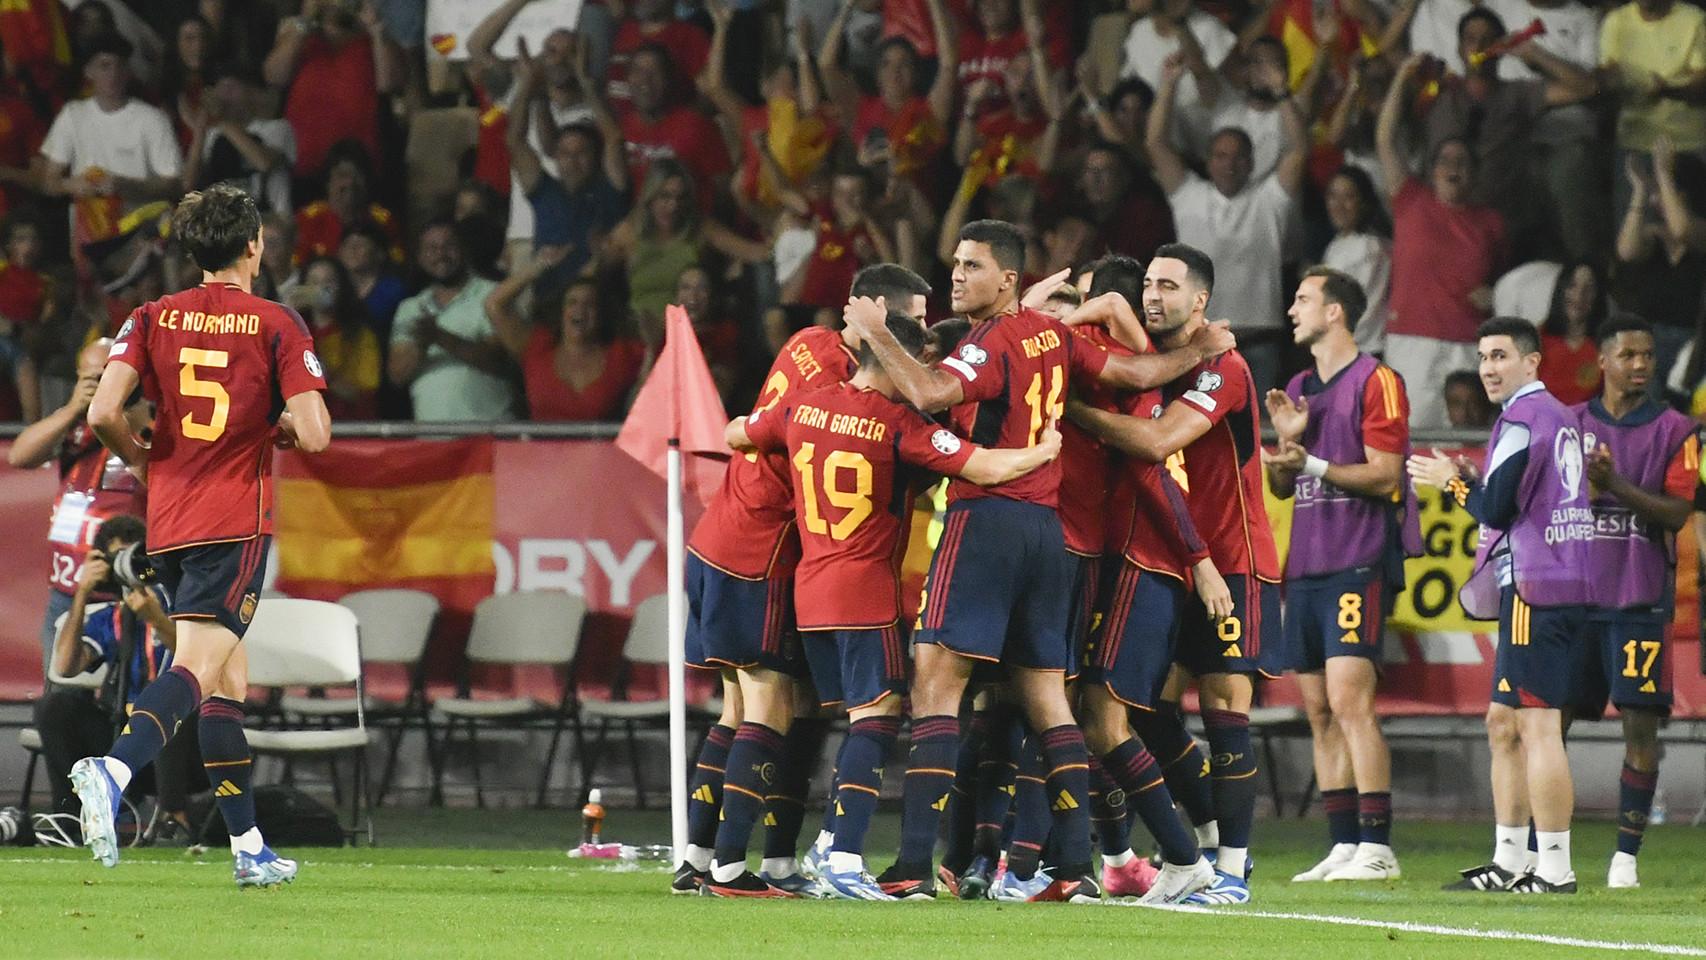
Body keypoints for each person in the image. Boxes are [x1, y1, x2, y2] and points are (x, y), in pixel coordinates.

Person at [841, 222, 1235, 902]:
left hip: (985, 519)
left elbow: (933, 394)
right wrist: (1201, 348)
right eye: (956, 264)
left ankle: (910, 866)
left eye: (973, 266)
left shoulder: (990, 342)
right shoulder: (1054, 338)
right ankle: (1076, 867)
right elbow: (1137, 371)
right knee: (1049, 701)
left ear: (1009, 280)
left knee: (937, 687)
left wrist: (876, 332)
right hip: (1047, 534)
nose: (958, 276)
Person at [726, 309, 1062, 899]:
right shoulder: (896, 423)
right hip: (864, 589)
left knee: (842, 720)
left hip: (809, 589)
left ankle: (820, 845)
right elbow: (985, 465)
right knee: (876, 721)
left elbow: (736, 431)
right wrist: (1043, 450)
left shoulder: (803, 404)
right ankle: (845, 856)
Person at [72, 183, 331, 887]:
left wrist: (144, 460)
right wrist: (277, 424)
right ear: (255, 246)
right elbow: (314, 432)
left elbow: (101, 413)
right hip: (234, 518)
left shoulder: (151, 315)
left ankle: (248, 846)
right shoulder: (277, 322)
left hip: (172, 519)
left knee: (223, 678)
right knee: (192, 670)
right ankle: (114, 768)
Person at [678, 263, 934, 897]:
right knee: (771, 708)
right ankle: (735, 869)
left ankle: (706, 857)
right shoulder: (848, 387)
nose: (918, 336)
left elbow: (744, 430)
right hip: (765, 553)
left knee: (747, 708)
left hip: (723, 537)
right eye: (912, 322)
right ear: (876, 313)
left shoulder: (807, 342)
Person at [1064, 243, 1280, 906]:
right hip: (1177, 562)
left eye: (1168, 287)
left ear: (1200, 301)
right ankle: (1208, 837)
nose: (1153, 297)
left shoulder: (1226, 367)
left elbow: (1158, 443)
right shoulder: (1153, 368)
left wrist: (1067, 412)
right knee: (1147, 708)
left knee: (1223, 709)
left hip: (1232, 560)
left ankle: (1235, 872)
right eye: (1148, 285)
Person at [1407, 316, 1592, 894]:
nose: (1488, 367)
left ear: (1532, 363)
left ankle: (1555, 868)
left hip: (1535, 586)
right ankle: (1510, 860)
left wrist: (1451, 481)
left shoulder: (1521, 418)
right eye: (1484, 356)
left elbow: (1493, 509)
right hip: (1561, 582)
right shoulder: (1560, 417)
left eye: (1501, 356)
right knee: (1503, 722)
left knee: (1537, 725)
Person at [1263, 268, 1416, 884]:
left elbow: (1386, 476)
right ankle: (1343, 844)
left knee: (1352, 701)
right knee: (1319, 710)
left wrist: (1316, 461)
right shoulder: (1299, 387)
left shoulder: (1378, 381)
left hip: (1358, 557)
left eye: (1303, 299)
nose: (1291, 308)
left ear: (1335, 314)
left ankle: (1378, 847)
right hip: (1305, 564)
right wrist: (1285, 446)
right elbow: (1282, 483)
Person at [1572, 316, 1699, 890]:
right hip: (1572, 602)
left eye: (1648, 355)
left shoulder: (1677, 430)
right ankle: (1536, 848)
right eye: (1628, 355)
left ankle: (1626, 856)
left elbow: (1678, 514)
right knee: (1546, 723)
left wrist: (1615, 484)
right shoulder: (1569, 424)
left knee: (1641, 727)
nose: (1641, 364)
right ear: (1603, 361)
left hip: (1639, 599)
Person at [1148, 53, 1306, 392]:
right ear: (1208, 162)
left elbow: (1299, 149)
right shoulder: (1189, 195)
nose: (1229, 164)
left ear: (1251, 162)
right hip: (1200, 342)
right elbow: (1156, 143)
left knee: (1261, 437)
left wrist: (1282, 93)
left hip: (1262, 344)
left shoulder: (1269, 199)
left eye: (1238, 156)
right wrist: (1170, 86)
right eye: (1221, 156)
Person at [37, 514, 199, 838]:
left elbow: (197, 657)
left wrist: (154, 618)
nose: (125, 568)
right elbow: (65, 667)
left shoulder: (177, 603)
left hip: (182, 749)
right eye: (116, 560)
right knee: (54, 707)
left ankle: (173, 820)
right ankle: (72, 820)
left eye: (132, 557)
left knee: (165, 702)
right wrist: (82, 592)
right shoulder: (110, 616)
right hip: (120, 740)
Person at [1377, 53, 1507, 429]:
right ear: (1432, 171)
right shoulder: (1411, 200)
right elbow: (1385, 138)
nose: (1453, 168)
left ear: (1475, 174)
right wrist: (1402, 74)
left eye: (1463, 162)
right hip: (1412, 340)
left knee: (1469, 443)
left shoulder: (1491, 222)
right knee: (1408, 436)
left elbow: (1499, 281)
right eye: (1445, 161)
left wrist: (1493, 292)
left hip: (1469, 343)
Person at [7, 340, 149, 675]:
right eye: (92, 378)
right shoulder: (73, 425)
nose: (102, 386)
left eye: (109, 377)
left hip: (123, 587)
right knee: (60, 692)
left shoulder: (146, 425)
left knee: (122, 694)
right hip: (68, 587)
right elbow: (20, 456)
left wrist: (120, 415)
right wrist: (73, 409)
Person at [37, 32, 182, 254]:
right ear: (89, 72)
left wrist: (126, 186)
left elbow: (173, 184)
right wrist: (72, 185)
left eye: (119, 66)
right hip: (90, 228)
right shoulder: (73, 114)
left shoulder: (152, 119)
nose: (113, 74)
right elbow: (49, 181)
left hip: (141, 229)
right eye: (104, 66)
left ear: (128, 72)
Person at [485, 251, 648, 423]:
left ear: (601, 314)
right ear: (561, 311)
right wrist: (539, 265)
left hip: (601, 450)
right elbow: (494, 305)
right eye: (572, 302)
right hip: (540, 449)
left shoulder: (622, 353)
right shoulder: (538, 347)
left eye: (590, 304)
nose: (580, 310)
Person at [388, 221, 516, 422]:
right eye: (432, 249)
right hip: (433, 438)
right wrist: (421, 346)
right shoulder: (409, 308)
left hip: (490, 433)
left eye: (449, 246)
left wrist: (439, 336)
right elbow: (397, 376)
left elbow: (500, 361)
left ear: (464, 250)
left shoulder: (494, 295)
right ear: (420, 258)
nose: (441, 254)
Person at [265, 0, 400, 180]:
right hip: (303, 163)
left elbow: (390, 84)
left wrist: (376, 29)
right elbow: (274, 76)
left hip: (359, 166)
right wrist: (306, 21)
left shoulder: (374, 37)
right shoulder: (297, 34)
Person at [181, 61, 297, 215]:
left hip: (269, 222)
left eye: (231, 88)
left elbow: (263, 163)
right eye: (219, 88)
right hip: (224, 224)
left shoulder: (277, 128)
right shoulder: (213, 134)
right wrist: (201, 125)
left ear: (251, 92)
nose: (223, 96)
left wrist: (221, 119)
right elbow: (188, 183)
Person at [288, 255, 380, 419]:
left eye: (329, 281)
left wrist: (325, 375)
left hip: (349, 428)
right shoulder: (295, 332)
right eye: (314, 282)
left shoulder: (360, 336)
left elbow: (364, 394)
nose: (321, 288)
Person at [1320, 166, 1393, 356]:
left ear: (1364, 202)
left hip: (1363, 351)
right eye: (1333, 196)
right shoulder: (1336, 245)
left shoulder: (1372, 247)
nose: (1339, 205)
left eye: (1348, 197)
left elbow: (1364, 310)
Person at [1537, 261, 1609, 407]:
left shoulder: (1609, 344)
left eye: (1589, 288)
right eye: (1572, 286)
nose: (1579, 295)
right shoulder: (1536, 339)